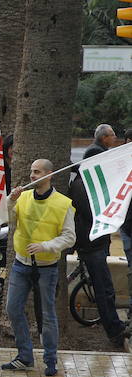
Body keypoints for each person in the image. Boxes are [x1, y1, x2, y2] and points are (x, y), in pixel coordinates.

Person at [4, 159, 75, 376]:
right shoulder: (23, 197)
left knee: (48, 314)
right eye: (31, 172)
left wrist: (46, 245)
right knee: (13, 309)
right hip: (21, 263)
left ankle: (50, 360)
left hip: (47, 267)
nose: (32, 176)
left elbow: (70, 237)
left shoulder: (63, 203)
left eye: (37, 172)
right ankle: (25, 356)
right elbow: (9, 221)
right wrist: (10, 202)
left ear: (49, 174)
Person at [69, 146, 129, 348]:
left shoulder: (86, 183)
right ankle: (114, 330)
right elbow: (92, 212)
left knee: (106, 288)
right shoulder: (81, 184)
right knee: (104, 290)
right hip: (92, 245)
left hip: (97, 243)